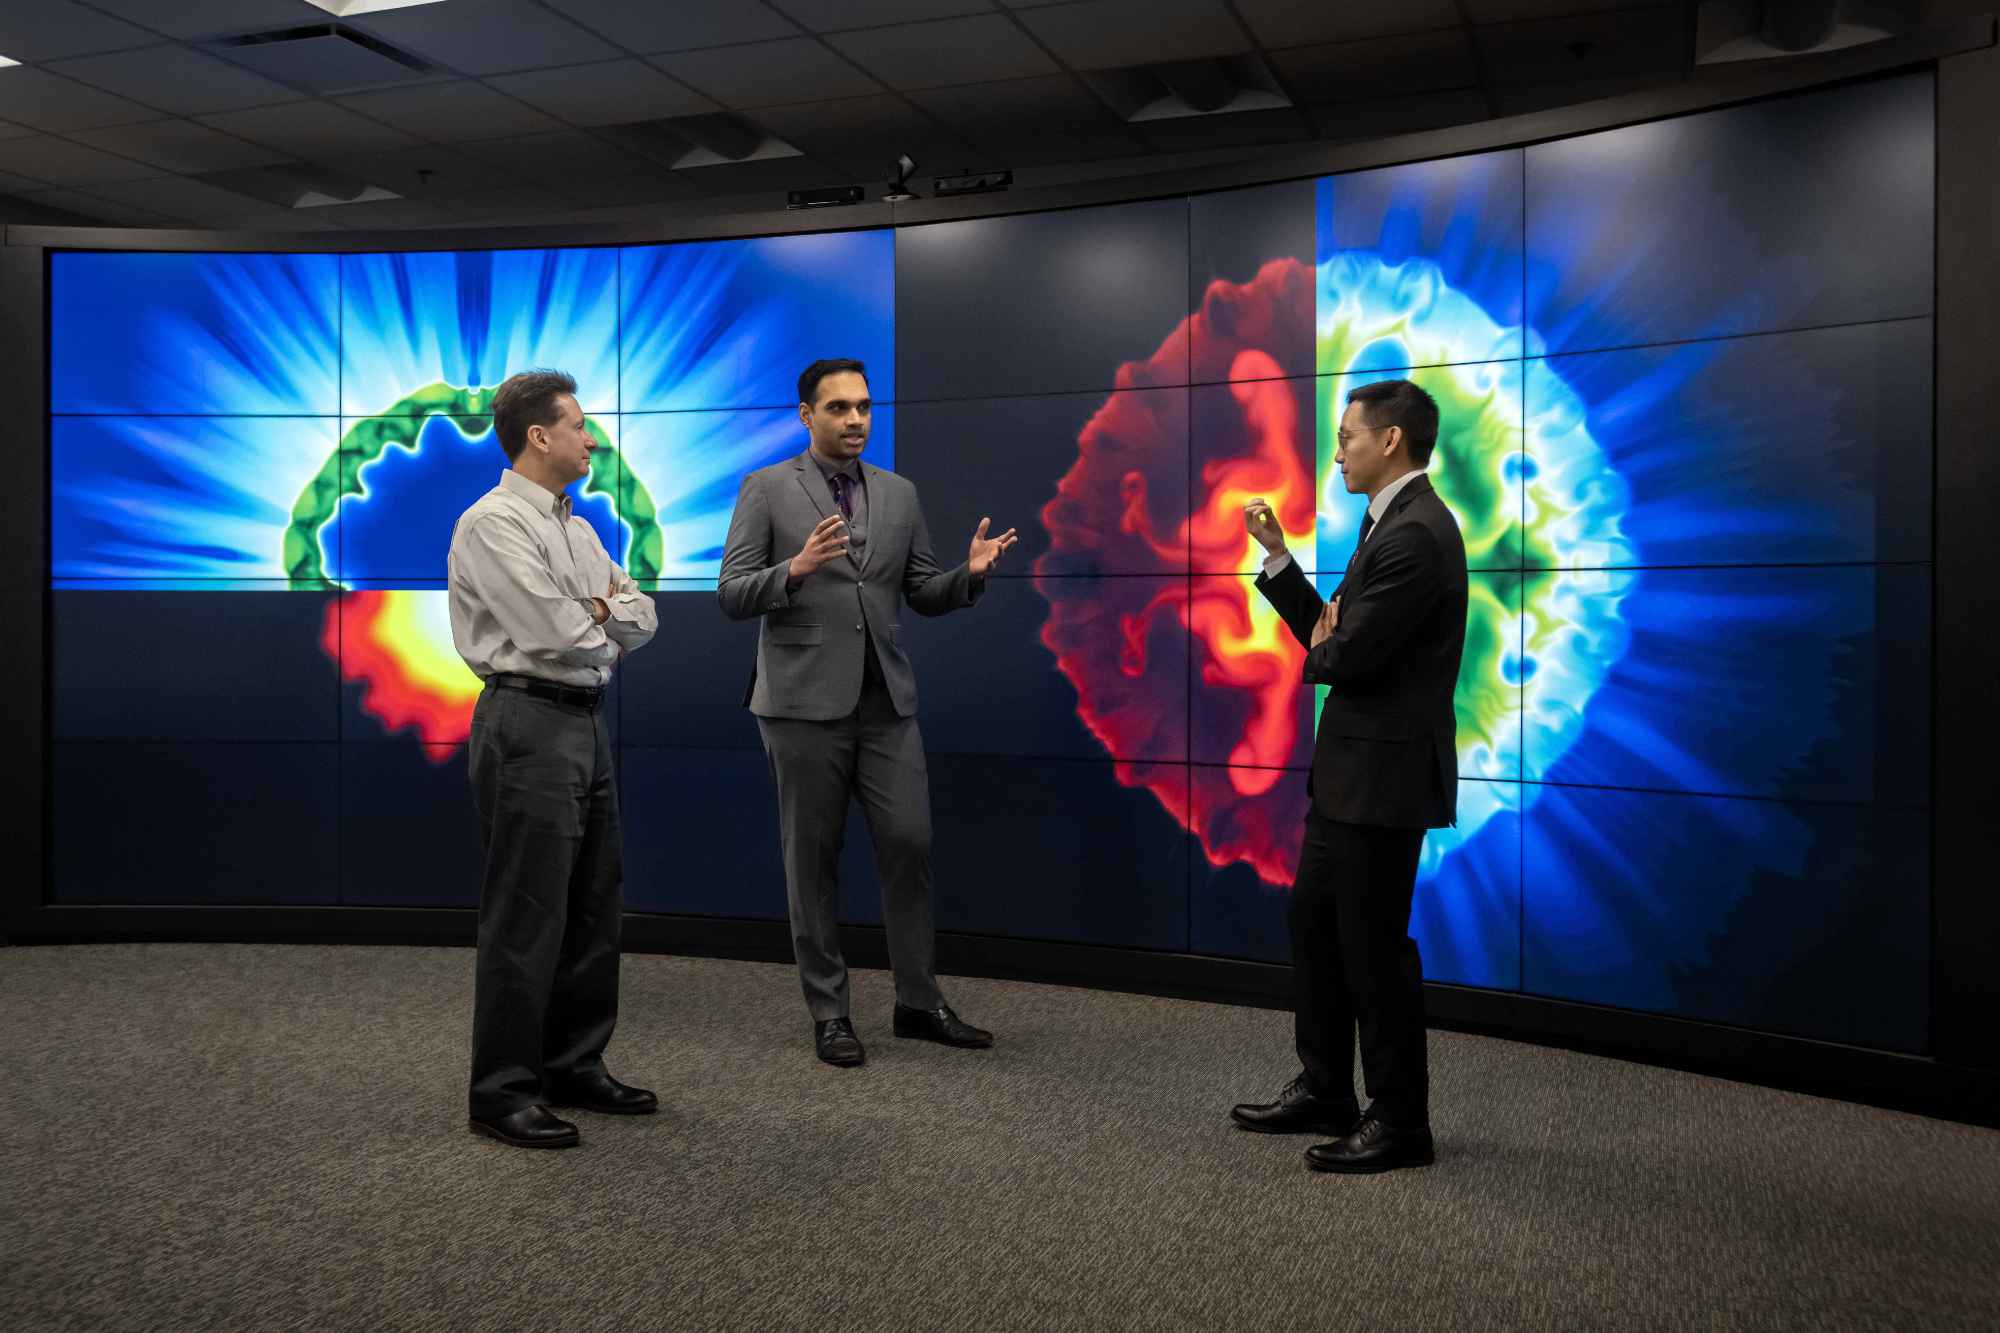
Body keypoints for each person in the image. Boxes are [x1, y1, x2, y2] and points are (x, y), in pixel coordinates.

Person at [718, 357, 1017, 1067]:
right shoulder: (765, 488)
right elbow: (731, 592)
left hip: (887, 701)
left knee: (909, 844)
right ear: (806, 415)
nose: (855, 419)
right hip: (799, 705)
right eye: (838, 408)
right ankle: (830, 1011)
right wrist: (792, 570)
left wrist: (966, 578)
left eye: (863, 406)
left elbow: (918, 588)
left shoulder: (898, 493)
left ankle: (917, 1001)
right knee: (812, 862)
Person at [1231, 378, 1468, 1173]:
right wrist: (1278, 559)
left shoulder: (1414, 536)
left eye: (1346, 437)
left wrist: (1336, 638)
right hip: (1348, 780)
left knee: (1374, 951)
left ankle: (1401, 1122)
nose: (1335, 452)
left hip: (1382, 782)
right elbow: (1326, 638)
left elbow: (1342, 655)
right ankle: (1327, 1087)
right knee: (1319, 929)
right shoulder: (1388, 526)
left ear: (1390, 440)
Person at [447, 369, 659, 1149]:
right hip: (526, 721)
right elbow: (556, 634)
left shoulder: (578, 526)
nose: (590, 438)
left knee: (594, 902)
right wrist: (603, 613)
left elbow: (644, 612)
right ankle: (502, 1091)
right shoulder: (493, 523)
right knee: (527, 912)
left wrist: (600, 609)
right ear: (540, 436)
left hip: (583, 723)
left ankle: (574, 1063)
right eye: (579, 425)